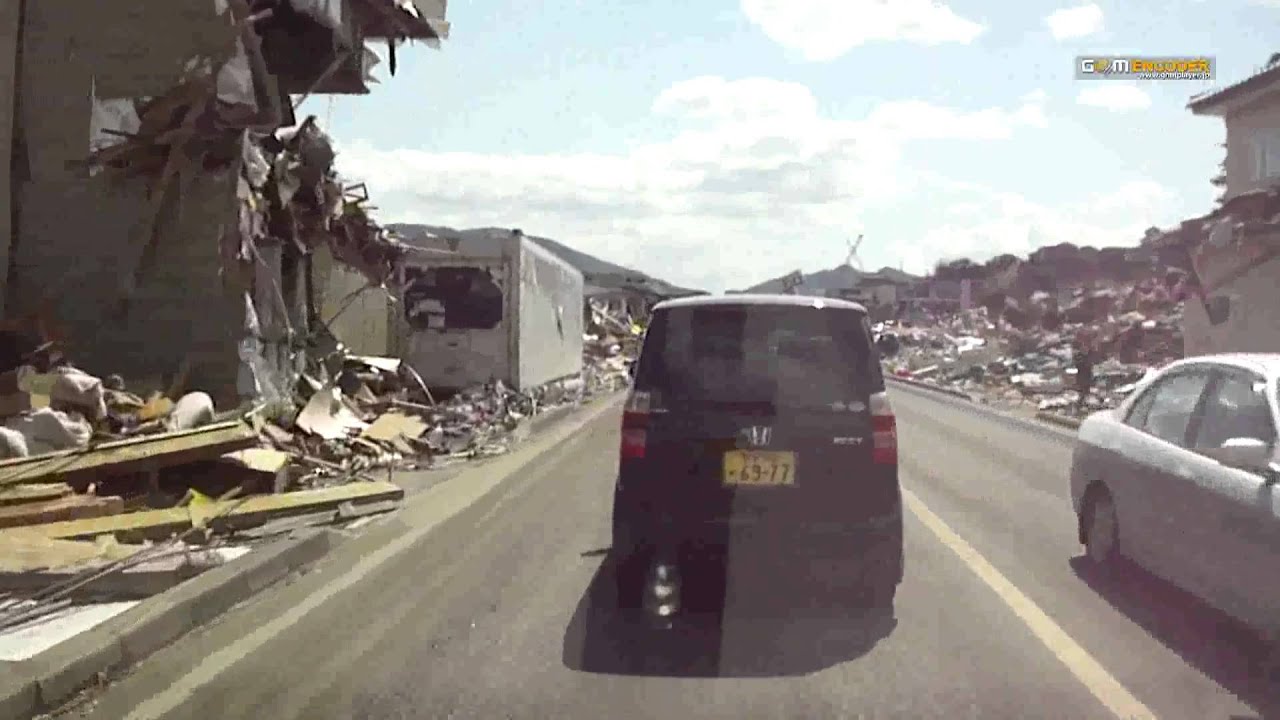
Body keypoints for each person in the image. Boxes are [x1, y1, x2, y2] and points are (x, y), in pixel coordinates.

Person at [1074, 341, 1095, 414]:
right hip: (1083, 378)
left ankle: (1081, 405)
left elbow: (1090, 368)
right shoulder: (1080, 358)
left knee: (1085, 392)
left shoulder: (1087, 357)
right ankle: (1079, 406)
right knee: (1083, 392)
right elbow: (1080, 366)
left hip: (1086, 377)